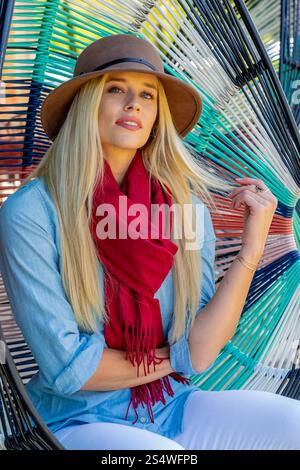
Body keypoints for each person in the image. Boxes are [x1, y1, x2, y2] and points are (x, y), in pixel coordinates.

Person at [0, 34, 299, 451]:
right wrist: (177, 358)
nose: (134, 104)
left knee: (292, 423)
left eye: (147, 94)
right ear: (86, 104)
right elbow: (71, 371)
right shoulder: (33, 212)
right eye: (115, 89)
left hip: (168, 405)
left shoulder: (186, 207)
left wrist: (251, 250)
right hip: (70, 420)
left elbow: (203, 344)